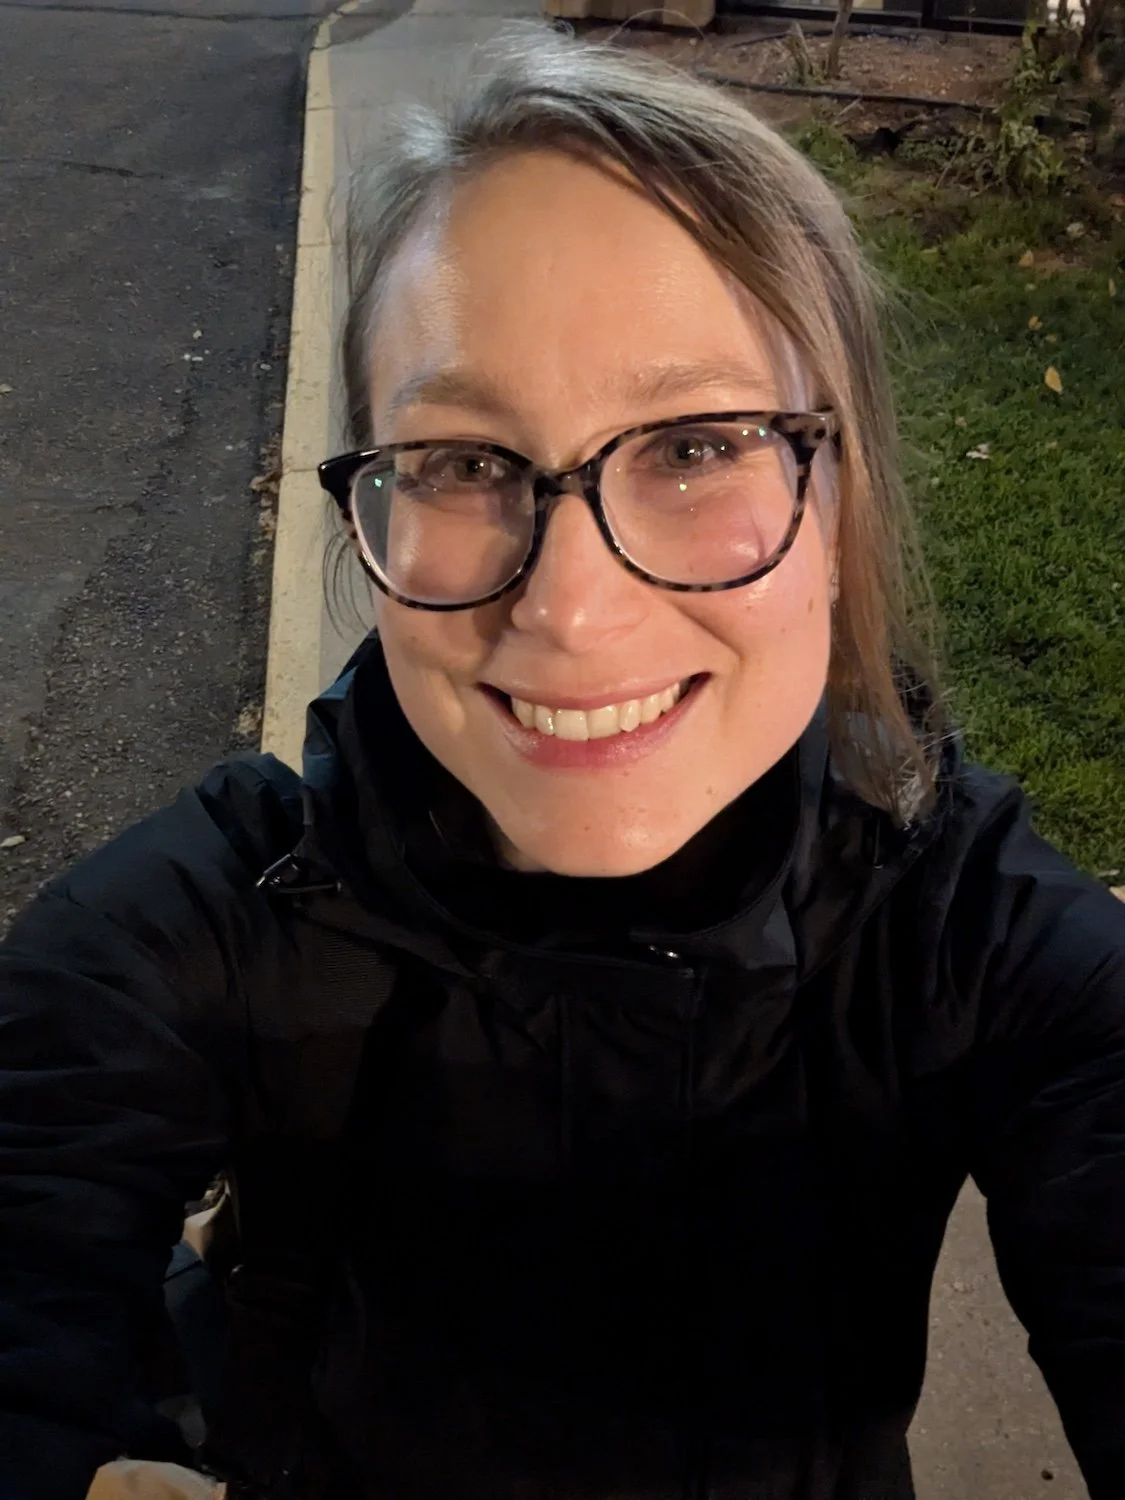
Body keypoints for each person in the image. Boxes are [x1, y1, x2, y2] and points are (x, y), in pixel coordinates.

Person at [1, 26, 1123, 1500]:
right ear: (380, 510)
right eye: (468, 463)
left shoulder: (977, 939)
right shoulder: (194, 937)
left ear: (838, 499)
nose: (571, 608)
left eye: (699, 446)